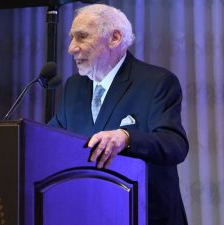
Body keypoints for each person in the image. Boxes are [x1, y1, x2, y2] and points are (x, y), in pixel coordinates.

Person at [49, 4, 189, 225]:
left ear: (115, 38)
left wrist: (125, 137)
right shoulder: (74, 86)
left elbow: (175, 144)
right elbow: (51, 138)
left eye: (82, 37)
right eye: (71, 38)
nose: (71, 48)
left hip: (143, 215)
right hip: (87, 214)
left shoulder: (156, 82)